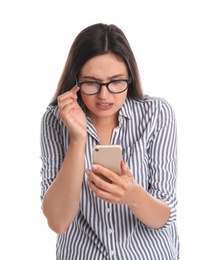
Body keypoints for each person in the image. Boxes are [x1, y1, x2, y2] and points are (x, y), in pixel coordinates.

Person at [40, 23, 180, 259]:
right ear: (75, 82)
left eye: (116, 82)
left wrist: (134, 196)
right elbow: (58, 222)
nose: (104, 96)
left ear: (130, 78)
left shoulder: (156, 113)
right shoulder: (55, 120)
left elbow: (164, 218)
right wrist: (77, 138)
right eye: (91, 83)